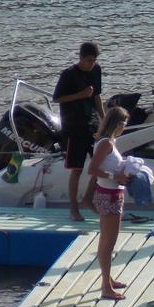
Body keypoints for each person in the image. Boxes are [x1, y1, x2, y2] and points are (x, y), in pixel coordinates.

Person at [53, 41, 105, 221]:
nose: (91, 64)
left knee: (102, 164)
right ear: (81, 57)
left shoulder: (96, 70)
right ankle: (73, 209)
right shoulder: (68, 75)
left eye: (94, 60)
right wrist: (80, 95)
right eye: (89, 60)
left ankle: (88, 200)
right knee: (77, 169)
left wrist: (104, 119)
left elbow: (97, 95)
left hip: (92, 125)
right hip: (74, 127)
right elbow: (57, 98)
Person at [88, 106, 131, 300]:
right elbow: (93, 169)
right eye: (124, 124)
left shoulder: (109, 142)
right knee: (108, 242)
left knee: (107, 240)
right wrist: (116, 175)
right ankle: (106, 286)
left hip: (113, 192)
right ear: (118, 123)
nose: (125, 127)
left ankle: (108, 278)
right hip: (109, 194)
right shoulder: (105, 143)